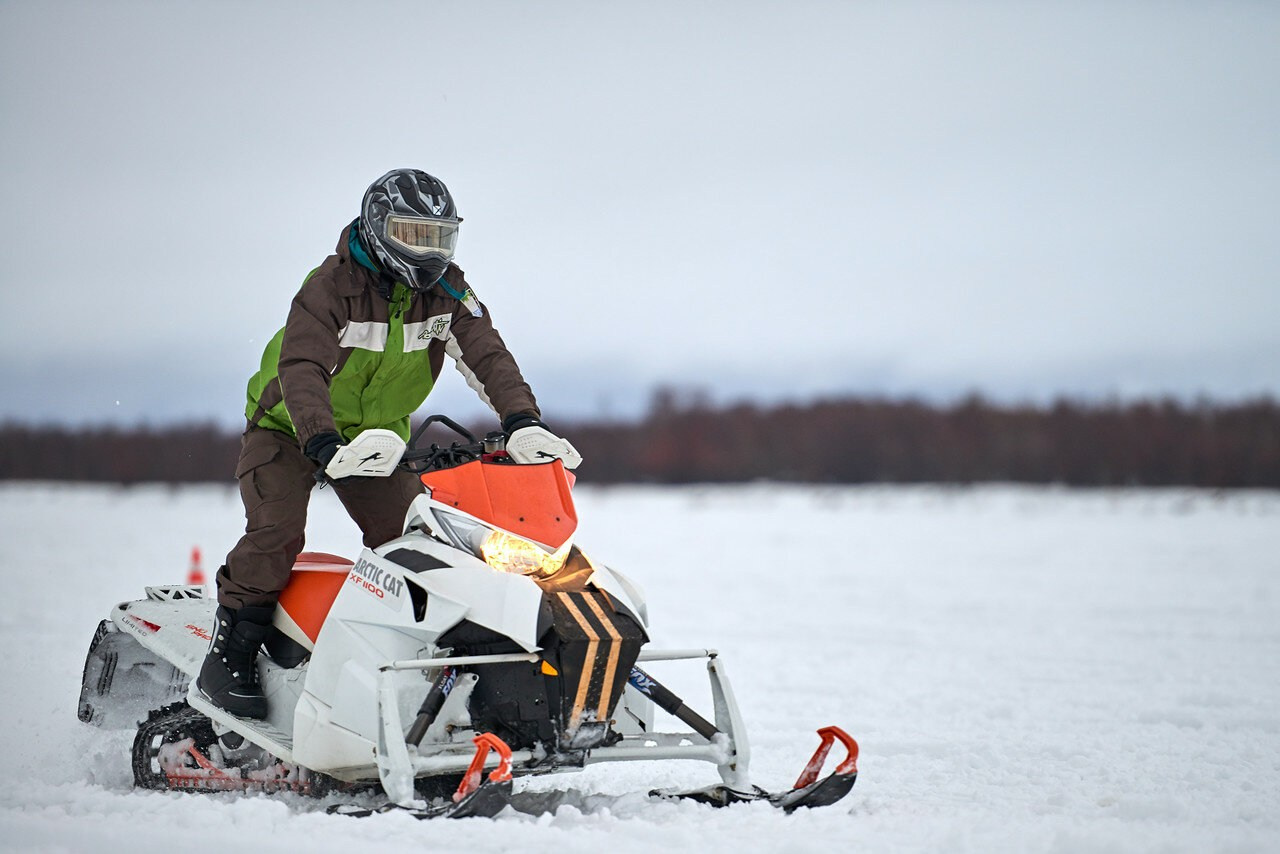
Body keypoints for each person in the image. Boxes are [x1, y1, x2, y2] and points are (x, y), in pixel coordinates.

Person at [198, 168, 581, 719]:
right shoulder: (330, 287)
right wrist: (322, 441)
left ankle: (403, 659)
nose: (429, 251)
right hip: (287, 428)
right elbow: (302, 367)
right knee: (277, 532)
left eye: (440, 237)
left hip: (377, 441)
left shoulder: (448, 291)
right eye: (414, 234)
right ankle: (230, 653)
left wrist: (523, 421)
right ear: (380, 230)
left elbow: (487, 355)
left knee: (413, 542)